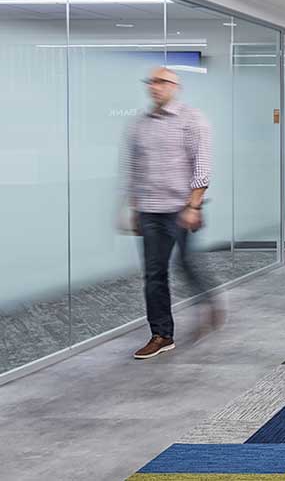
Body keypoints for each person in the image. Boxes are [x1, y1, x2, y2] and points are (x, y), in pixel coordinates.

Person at [122, 66, 217, 359]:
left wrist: (194, 205)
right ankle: (161, 334)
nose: (155, 87)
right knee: (154, 275)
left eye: (162, 82)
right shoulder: (140, 124)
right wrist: (135, 208)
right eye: (151, 81)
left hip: (180, 209)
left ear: (175, 86)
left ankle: (209, 302)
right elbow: (135, 168)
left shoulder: (191, 120)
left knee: (186, 263)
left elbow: (202, 166)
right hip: (150, 209)